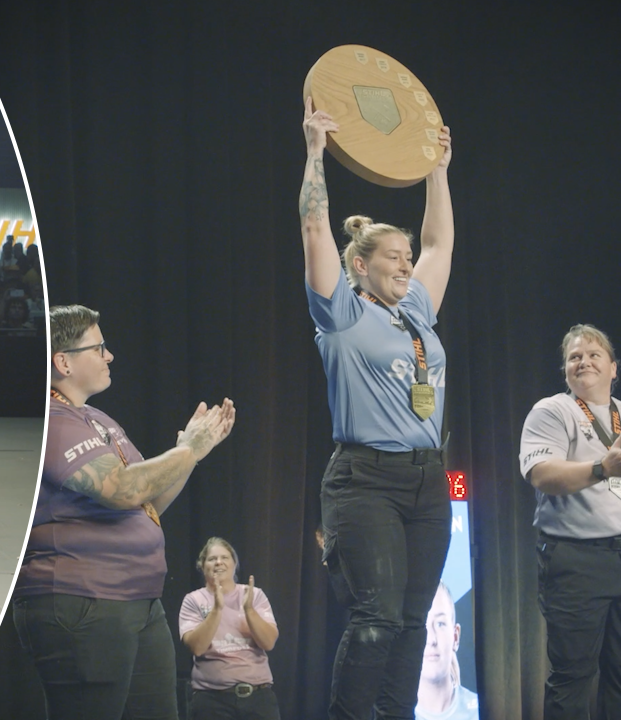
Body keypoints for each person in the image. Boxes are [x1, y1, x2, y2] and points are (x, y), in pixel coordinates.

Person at [299, 97, 456, 719]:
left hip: (427, 479)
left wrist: (438, 169)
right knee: (376, 620)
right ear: (359, 266)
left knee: (413, 622)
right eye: (394, 257)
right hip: (365, 480)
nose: (407, 264)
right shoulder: (340, 314)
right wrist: (315, 153)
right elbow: (315, 228)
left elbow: (440, 241)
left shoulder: (415, 311)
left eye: (407, 258)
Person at [13, 304, 236, 720]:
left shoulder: (96, 419)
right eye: (98, 348)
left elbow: (147, 502)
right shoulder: (52, 419)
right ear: (63, 361)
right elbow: (122, 489)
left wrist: (189, 455)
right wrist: (188, 450)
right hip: (84, 604)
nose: (109, 356)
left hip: (137, 603)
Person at [519, 324, 621, 720]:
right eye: (574, 357)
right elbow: (542, 474)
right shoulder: (551, 410)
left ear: (614, 369)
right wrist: (602, 467)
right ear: (565, 372)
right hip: (576, 560)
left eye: (594, 355)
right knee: (573, 678)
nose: (584, 362)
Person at [179, 537, 280, 720]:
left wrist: (249, 610)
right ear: (202, 566)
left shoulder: (254, 595)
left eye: (225, 557)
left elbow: (268, 642)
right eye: (212, 559)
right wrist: (217, 609)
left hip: (258, 698)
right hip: (212, 700)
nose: (219, 562)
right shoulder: (193, 600)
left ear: (234, 564)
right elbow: (197, 647)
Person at [415, 583, 478, 720]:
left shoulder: (482, 712)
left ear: (456, 637)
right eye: (422, 624)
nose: (431, 639)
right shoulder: (389, 714)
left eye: (440, 624)